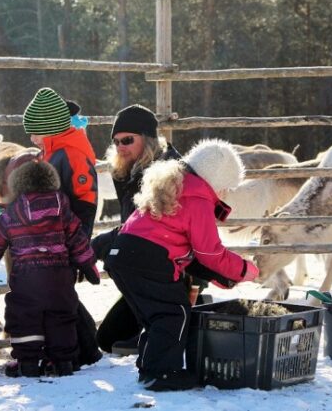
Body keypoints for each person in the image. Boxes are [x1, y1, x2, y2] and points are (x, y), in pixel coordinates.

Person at [104, 139, 259, 391]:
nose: (224, 194)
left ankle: (149, 367)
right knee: (174, 313)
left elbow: (193, 256)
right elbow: (209, 251)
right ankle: (162, 373)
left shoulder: (173, 185)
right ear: (215, 180)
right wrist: (242, 269)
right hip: (149, 259)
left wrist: (225, 278)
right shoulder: (198, 197)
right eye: (226, 188)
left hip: (122, 255)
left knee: (156, 318)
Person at [0, 159, 100, 378]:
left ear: (17, 184)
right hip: (59, 275)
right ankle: (63, 361)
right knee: (61, 316)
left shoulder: (13, 211)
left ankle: (27, 362)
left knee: (24, 317)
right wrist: (88, 265)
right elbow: (77, 238)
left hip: (27, 277)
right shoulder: (61, 205)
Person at [91, 104, 182, 355]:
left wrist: (99, 245)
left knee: (115, 254)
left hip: (168, 268)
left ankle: (175, 315)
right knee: (108, 338)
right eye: (117, 141)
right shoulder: (127, 170)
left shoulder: (168, 171)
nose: (121, 146)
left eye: (128, 140)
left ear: (148, 139)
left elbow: (147, 227)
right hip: (144, 267)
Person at [22, 87, 102, 367]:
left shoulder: (70, 153)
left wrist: (75, 241)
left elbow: (85, 199)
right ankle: (87, 349)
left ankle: (81, 351)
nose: (32, 138)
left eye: (35, 132)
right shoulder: (52, 152)